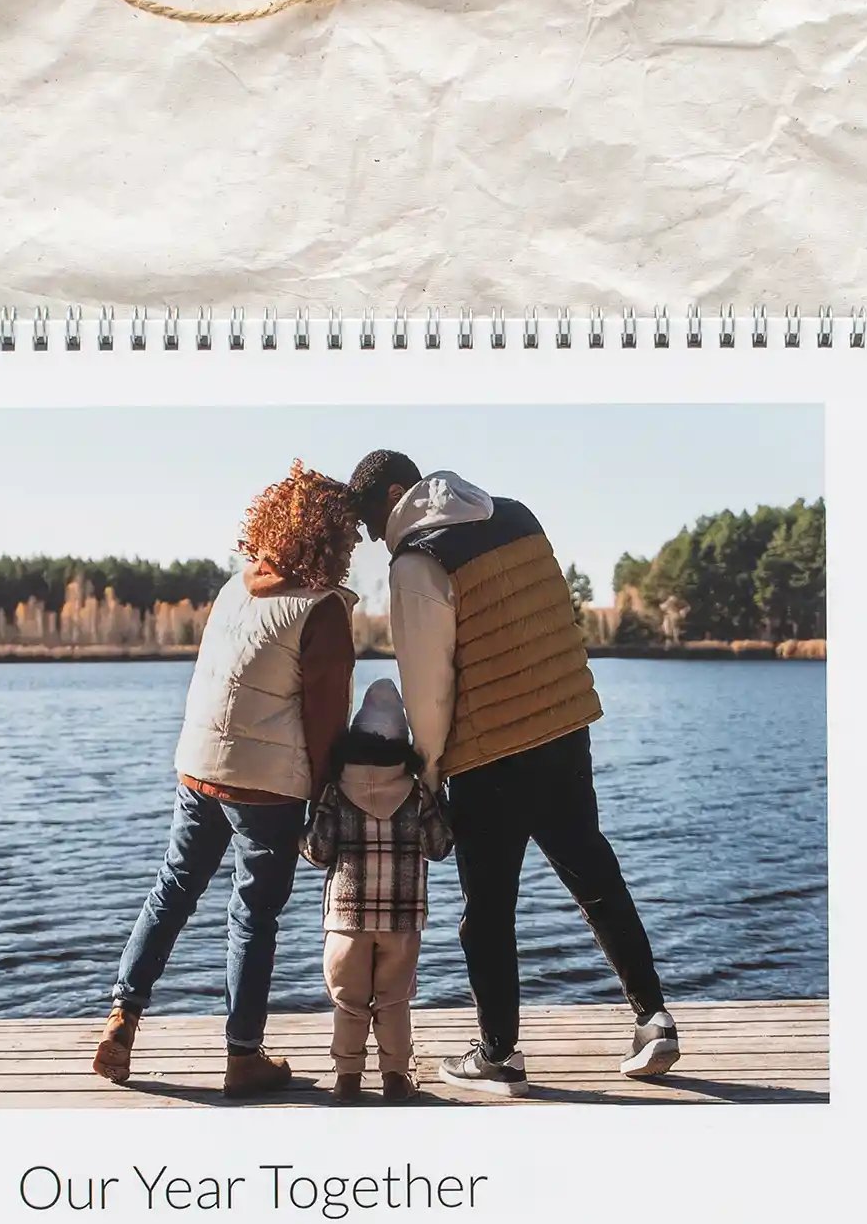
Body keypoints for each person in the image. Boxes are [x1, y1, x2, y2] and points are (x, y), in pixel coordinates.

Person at [345, 448, 678, 1096]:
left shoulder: (417, 560)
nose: (373, 538)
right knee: (596, 877)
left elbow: (427, 684)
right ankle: (653, 1019)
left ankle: (499, 1054)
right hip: (563, 729)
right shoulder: (521, 518)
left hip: (488, 755)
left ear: (393, 495)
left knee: (488, 914)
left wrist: (431, 770)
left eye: (369, 522)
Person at [96, 465, 357, 1096]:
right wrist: (329, 793)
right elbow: (326, 724)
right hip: (266, 787)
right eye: (347, 537)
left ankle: (122, 1019)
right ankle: (243, 1056)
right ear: (327, 537)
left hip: (199, 768)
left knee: (173, 890)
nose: (352, 549)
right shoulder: (320, 611)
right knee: (254, 915)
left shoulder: (232, 589)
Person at [300, 677, 453, 1102]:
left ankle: (347, 1079)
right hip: (401, 923)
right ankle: (396, 1078)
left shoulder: (336, 789)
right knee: (393, 1001)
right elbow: (439, 847)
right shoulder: (417, 793)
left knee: (348, 1003)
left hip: (345, 921)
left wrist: (304, 829)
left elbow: (317, 851)